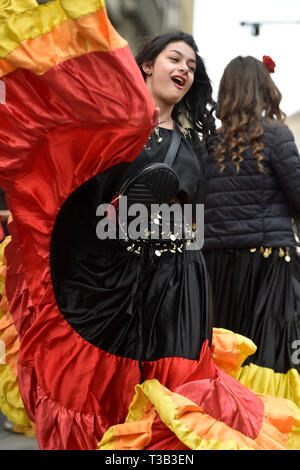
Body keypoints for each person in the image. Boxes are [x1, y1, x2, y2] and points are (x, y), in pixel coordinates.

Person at [0, 1, 299, 451]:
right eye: (175, 58)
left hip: (181, 288)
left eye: (192, 65)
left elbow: (196, 218)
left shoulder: (196, 143)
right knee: (110, 391)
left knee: (180, 396)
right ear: (144, 66)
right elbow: (81, 201)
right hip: (117, 284)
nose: (184, 68)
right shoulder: (111, 132)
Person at [202, 55, 300, 407]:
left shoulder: (208, 146)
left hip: (217, 265)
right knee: (270, 352)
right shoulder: (276, 137)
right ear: (263, 90)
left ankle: (227, 420)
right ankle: (268, 425)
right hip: (269, 262)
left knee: (228, 347)